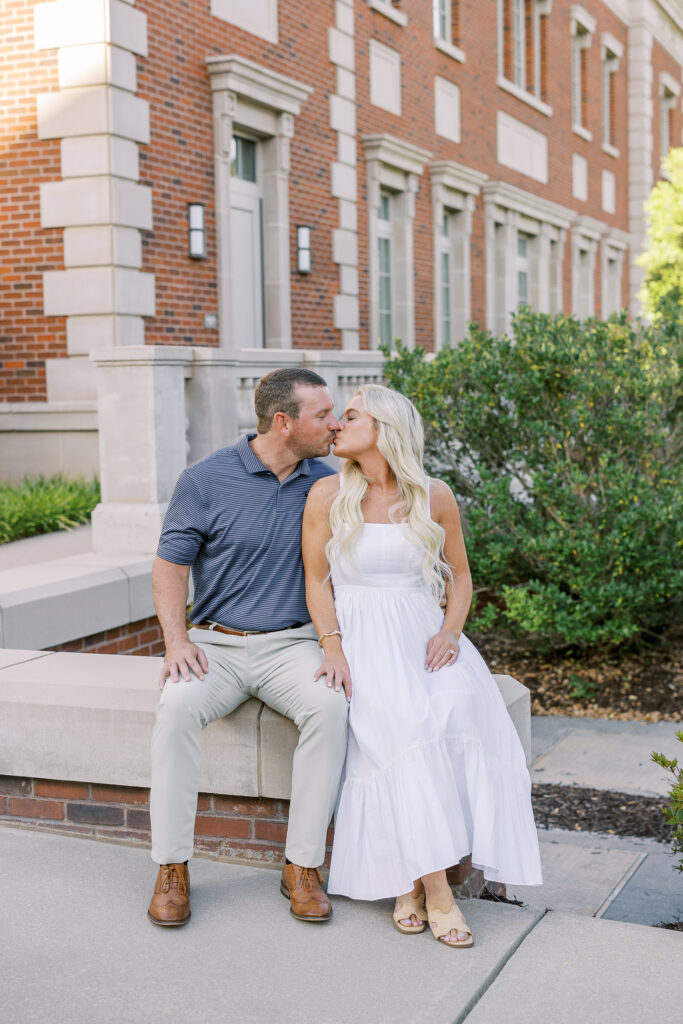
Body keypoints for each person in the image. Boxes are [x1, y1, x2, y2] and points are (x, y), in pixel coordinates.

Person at [302, 384, 542, 948]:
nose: (337, 424)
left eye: (351, 415)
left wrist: (451, 632)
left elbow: (460, 577)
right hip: (360, 638)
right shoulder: (327, 495)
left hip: (423, 636)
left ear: (383, 430)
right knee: (402, 728)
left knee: (455, 712)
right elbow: (317, 579)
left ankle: (411, 883)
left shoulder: (434, 495)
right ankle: (439, 893)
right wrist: (332, 646)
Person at [147, 367, 349, 927]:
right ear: (284, 423)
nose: (334, 424)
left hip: (292, 646)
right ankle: (171, 868)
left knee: (331, 708)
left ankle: (302, 867)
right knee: (176, 708)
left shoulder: (327, 483)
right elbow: (170, 567)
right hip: (218, 645)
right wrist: (175, 642)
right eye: (323, 415)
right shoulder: (205, 479)